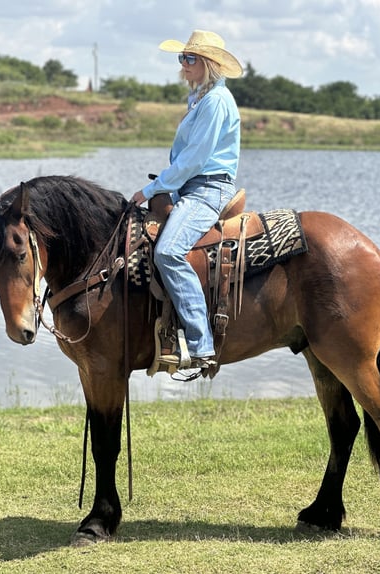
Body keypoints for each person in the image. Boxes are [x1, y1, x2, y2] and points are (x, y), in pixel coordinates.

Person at [131, 30, 243, 371]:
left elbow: (194, 159)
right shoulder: (198, 99)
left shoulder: (216, 102)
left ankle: (200, 344)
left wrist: (152, 190)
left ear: (208, 64)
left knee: (167, 251)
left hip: (208, 188)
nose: (183, 64)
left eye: (190, 58)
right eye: (182, 58)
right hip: (189, 187)